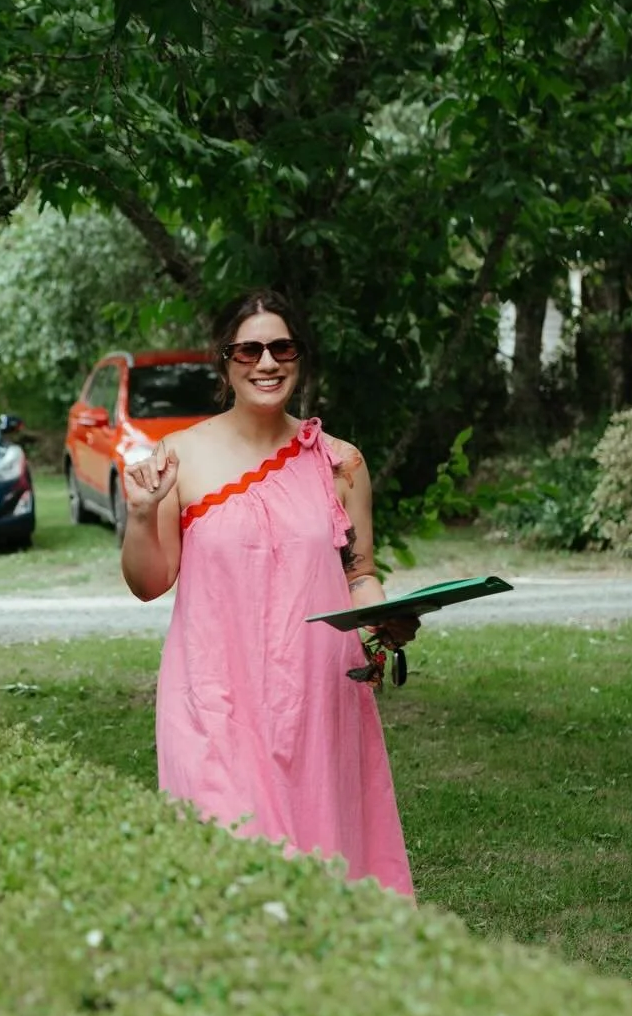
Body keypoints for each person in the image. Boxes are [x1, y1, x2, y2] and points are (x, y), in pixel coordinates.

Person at [120, 287, 416, 898]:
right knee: (227, 865)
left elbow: (359, 575)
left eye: (282, 347)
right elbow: (149, 583)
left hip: (315, 695)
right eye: (249, 349)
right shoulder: (179, 457)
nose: (267, 362)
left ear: (300, 357)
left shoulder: (340, 463)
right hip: (214, 697)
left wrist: (387, 617)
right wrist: (144, 515)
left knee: (322, 867)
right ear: (224, 360)